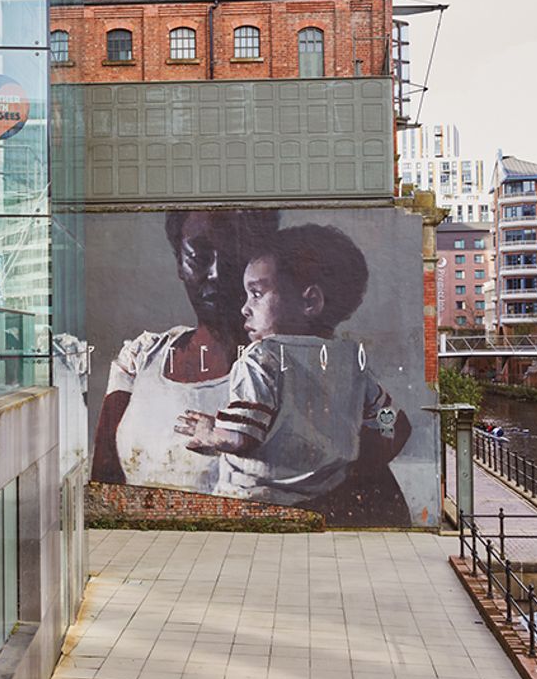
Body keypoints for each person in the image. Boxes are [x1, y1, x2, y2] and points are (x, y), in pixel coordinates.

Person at [173, 224, 412, 525]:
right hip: (328, 497)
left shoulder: (262, 359)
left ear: (310, 302)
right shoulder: (351, 361)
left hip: (258, 505)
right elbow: (395, 424)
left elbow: (239, 437)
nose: (245, 308)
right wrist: (360, 461)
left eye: (256, 294)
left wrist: (209, 432)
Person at [91, 210, 278, 491]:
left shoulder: (286, 367)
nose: (216, 274)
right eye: (199, 257)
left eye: (233, 256)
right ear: (180, 262)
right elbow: (104, 482)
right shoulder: (140, 359)